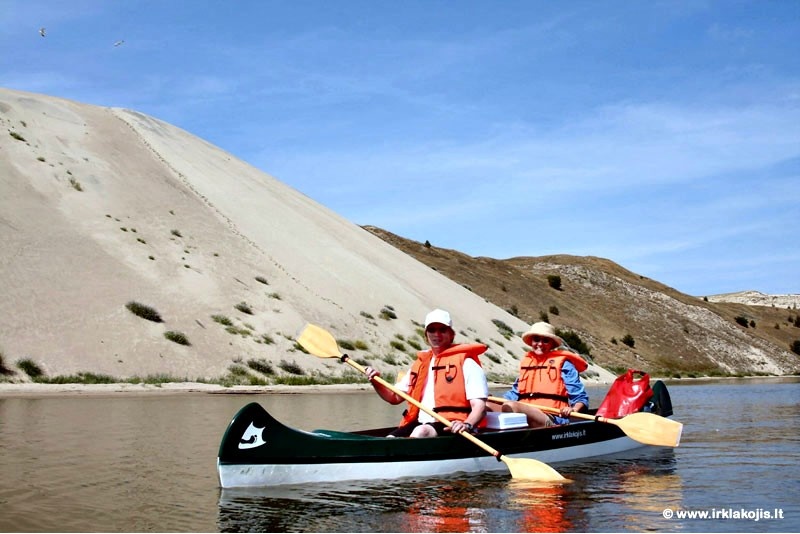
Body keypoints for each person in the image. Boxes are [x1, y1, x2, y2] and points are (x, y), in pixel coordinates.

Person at [365, 308, 489, 438]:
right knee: (390, 439)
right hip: (420, 422)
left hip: (452, 424)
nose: (437, 334)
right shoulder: (420, 365)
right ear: (426, 335)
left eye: (442, 330)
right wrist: (375, 381)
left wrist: (467, 424)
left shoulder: (467, 363)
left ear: (452, 334)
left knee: (421, 432)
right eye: (432, 330)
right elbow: (394, 398)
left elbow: (479, 407)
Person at [489, 321, 589, 428]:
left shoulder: (565, 364)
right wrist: (491, 399)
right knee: (486, 405)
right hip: (524, 413)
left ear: (552, 344)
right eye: (536, 339)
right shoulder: (528, 362)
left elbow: (580, 397)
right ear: (532, 341)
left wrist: (573, 409)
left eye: (545, 340)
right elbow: (513, 394)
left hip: (552, 419)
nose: (540, 344)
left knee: (512, 406)